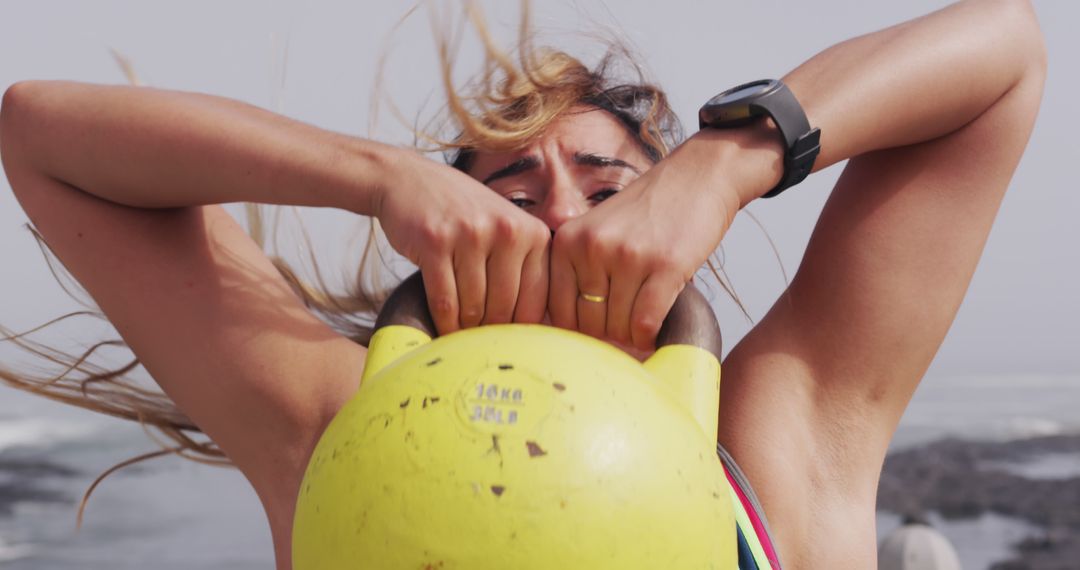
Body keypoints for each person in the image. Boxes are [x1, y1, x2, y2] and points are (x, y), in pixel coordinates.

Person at [0, 0, 1045, 568]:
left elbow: (1006, 47)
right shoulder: (335, 428)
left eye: (609, 186)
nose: (557, 214)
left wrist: (729, 163)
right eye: (511, 187)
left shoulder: (782, 439)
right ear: (448, 233)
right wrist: (376, 177)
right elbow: (40, 133)